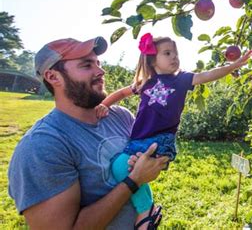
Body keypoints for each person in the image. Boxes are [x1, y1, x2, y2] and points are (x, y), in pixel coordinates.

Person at [8, 36, 169, 229]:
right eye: (86, 65)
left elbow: (154, 161)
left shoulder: (121, 117)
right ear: (53, 77)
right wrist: (134, 180)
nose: (101, 71)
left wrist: (156, 159)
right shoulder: (41, 147)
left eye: (98, 63)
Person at [94, 33, 251, 228]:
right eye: (167, 53)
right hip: (137, 140)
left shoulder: (182, 79)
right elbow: (123, 93)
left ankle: (144, 215)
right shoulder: (146, 82)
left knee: (128, 168)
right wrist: (104, 104)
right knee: (119, 166)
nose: (174, 57)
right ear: (153, 60)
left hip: (160, 141)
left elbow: (208, 75)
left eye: (175, 53)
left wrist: (234, 65)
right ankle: (148, 209)